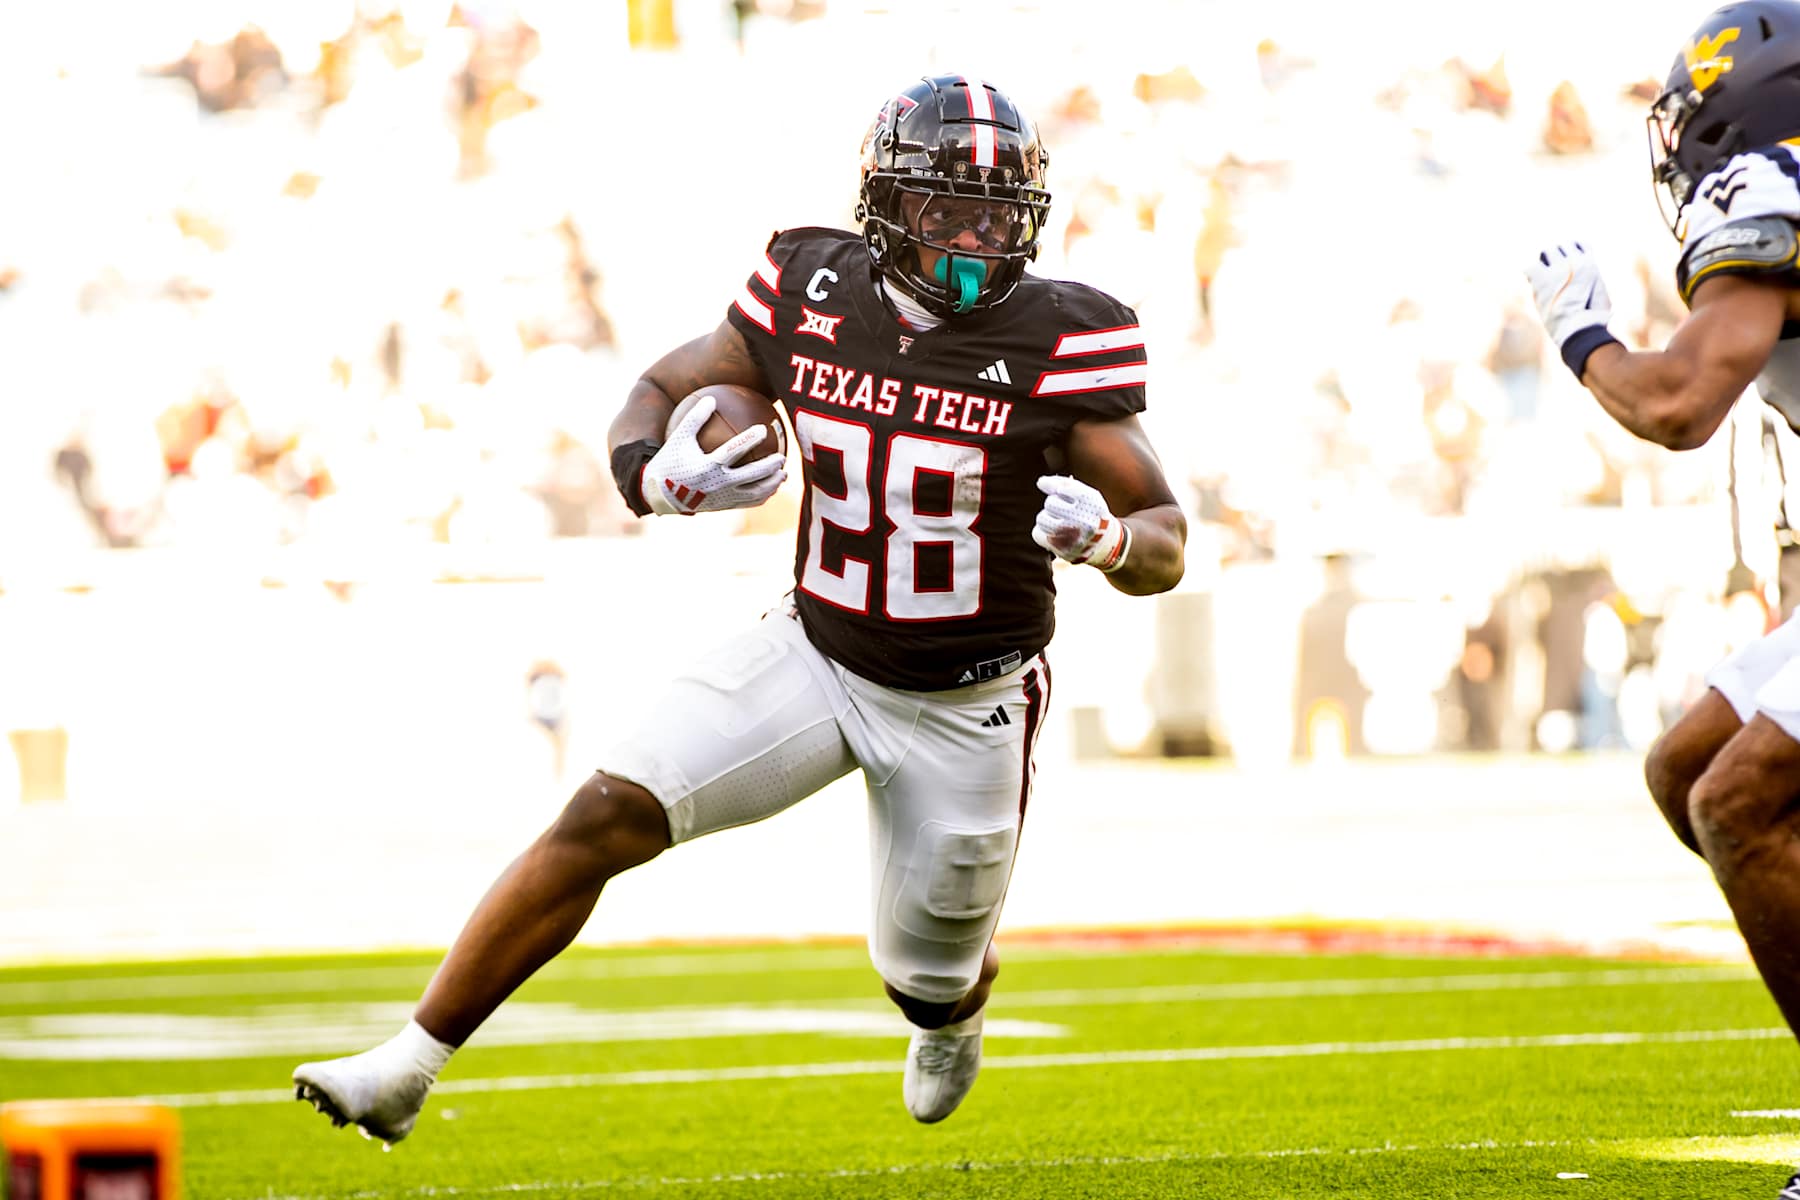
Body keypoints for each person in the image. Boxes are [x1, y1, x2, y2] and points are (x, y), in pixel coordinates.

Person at [293, 74, 1186, 1142]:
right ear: (886, 207)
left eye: (996, 212)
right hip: (817, 652)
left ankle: (951, 1016)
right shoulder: (809, 286)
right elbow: (666, 388)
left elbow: (1166, 539)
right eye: (946, 207)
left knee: (923, 976)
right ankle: (406, 1066)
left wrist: (1111, 541)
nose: (975, 235)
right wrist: (655, 477)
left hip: (967, 701)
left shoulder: (1062, 338)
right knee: (607, 812)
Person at [1525, 5, 1800, 1194]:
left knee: (1739, 802)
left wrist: (1583, 333)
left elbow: (1681, 404)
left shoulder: (1772, 180)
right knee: (1686, 768)